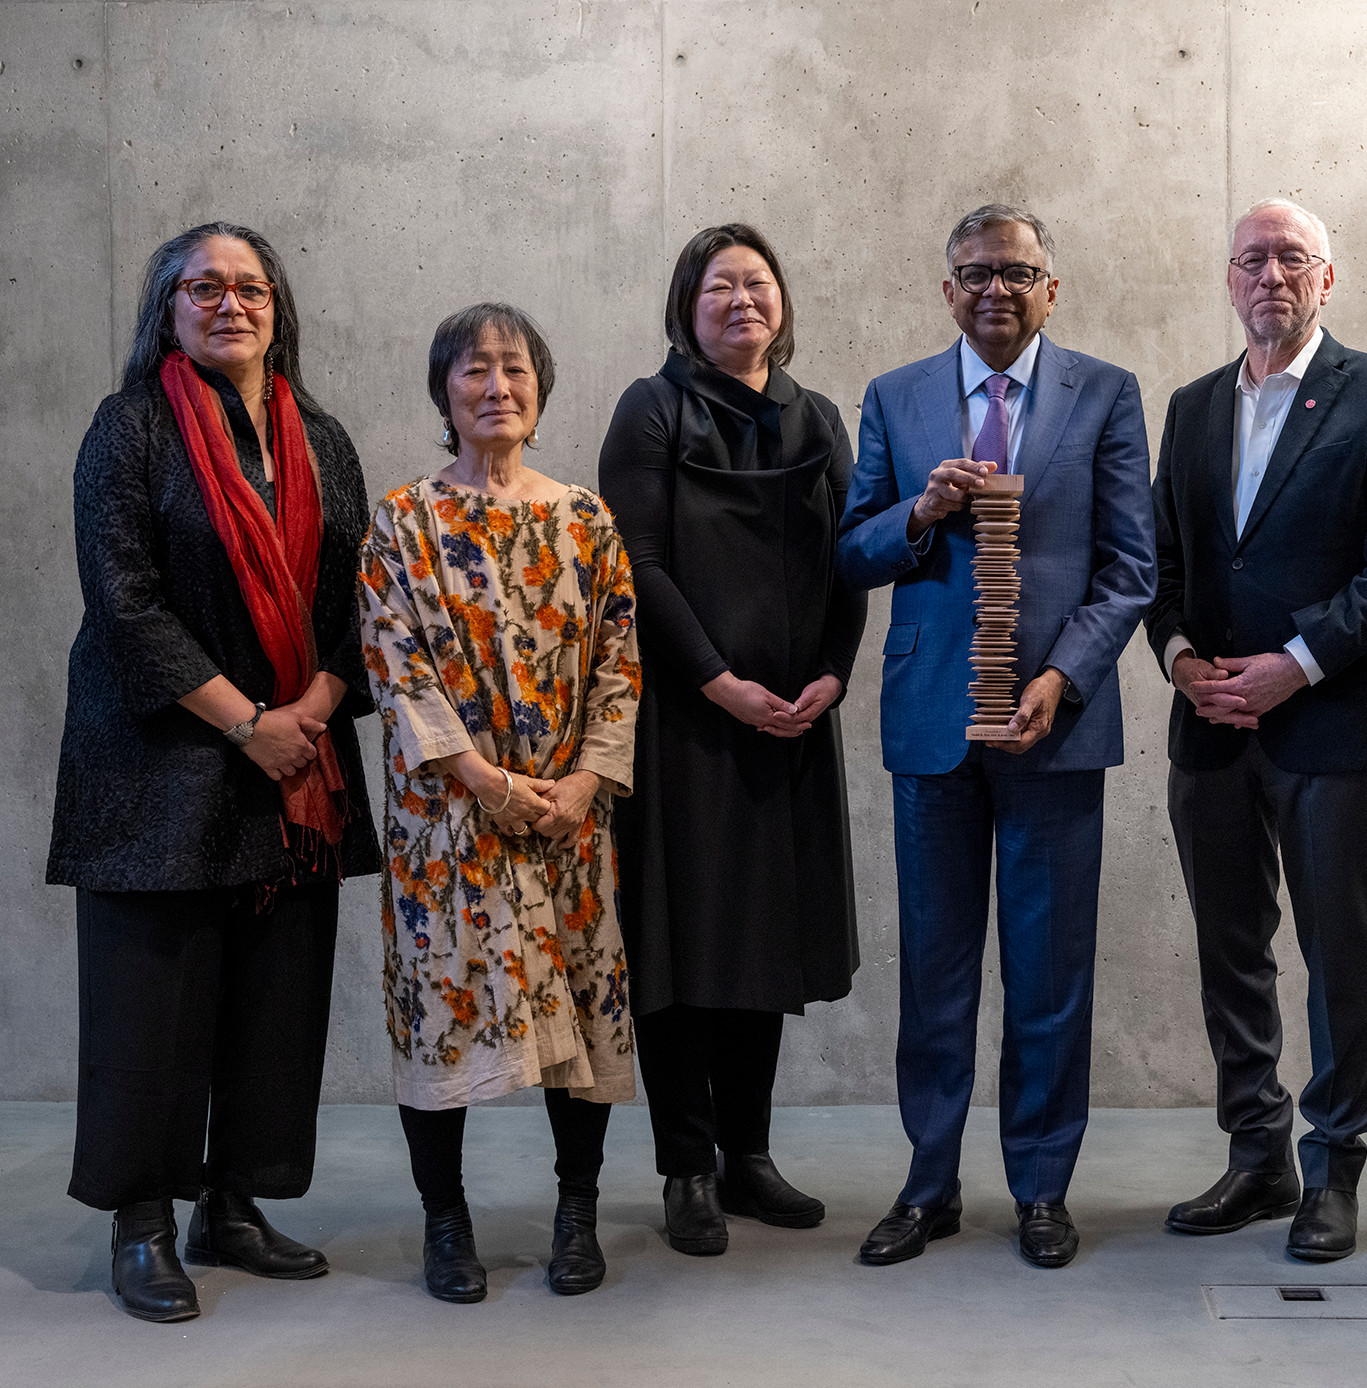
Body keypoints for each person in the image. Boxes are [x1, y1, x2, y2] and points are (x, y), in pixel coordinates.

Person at [47, 221, 379, 1322]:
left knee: (274, 995)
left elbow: (358, 606)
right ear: (168, 308)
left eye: (250, 288)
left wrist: (319, 710)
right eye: (205, 286)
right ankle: (141, 1219)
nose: (229, 302)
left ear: (277, 310)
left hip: (296, 760)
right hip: (163, 760)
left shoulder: (322, 439)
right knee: (153, 1000)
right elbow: (123, 601)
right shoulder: (130, 427)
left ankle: (232, 1202)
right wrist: (250, 723)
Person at [837, 203, 1155, 1270]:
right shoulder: (898, 397)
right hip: (934, 723)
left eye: (1017, 271)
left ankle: (1040, 1187)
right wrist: (919, 514)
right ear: (946, 288)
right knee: (935, 972)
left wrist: (1065, 677)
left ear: (1050, 288)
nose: (994, 289)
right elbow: (853, 550)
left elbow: (1130, 569)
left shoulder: (1106, 394)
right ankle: (928, 1186)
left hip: (1052, 730)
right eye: (974, 272)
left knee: (1050, 972)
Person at [1147, 198, 1367, 1263]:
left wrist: (1297, 663)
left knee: (1336, 953)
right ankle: (1257, 1154)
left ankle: (1333, 1169)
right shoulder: (1189, 408)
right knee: (1232, 954)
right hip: (1212, 727)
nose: (1270, 274)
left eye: (1291, 258)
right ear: (1228, 280)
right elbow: (1163, 565)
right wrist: (1182, 660)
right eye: (1252, 259)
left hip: (1331, 723)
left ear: (1328, 277)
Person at [359, 303, 641, 1302]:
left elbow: (618, 662)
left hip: (570, 819)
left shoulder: (586, 518)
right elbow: (396, 669)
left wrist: (582, 782)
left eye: (515, 368)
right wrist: (486, 781)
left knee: (586, 1012)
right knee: (442, 1008)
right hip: (448, 823)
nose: (496, 385)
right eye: (474, 370)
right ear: (445, 391)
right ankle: (446, 1219)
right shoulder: (401, 519)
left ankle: (578, 1211)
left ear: (540, 387)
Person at [598, 224, 866, 1257]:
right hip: (683, 717)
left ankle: (750, 1156)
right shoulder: (652, 408)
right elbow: (639, 562)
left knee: (767, 936)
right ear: (687, 305)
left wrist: (833, 674)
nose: (744, 300)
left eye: (759, 283)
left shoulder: (820, 416)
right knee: (680, 943)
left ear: (783, 303)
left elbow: (856, 555)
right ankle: (687, 1166)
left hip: (794, 718)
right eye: (721, 287)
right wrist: (719, 681)